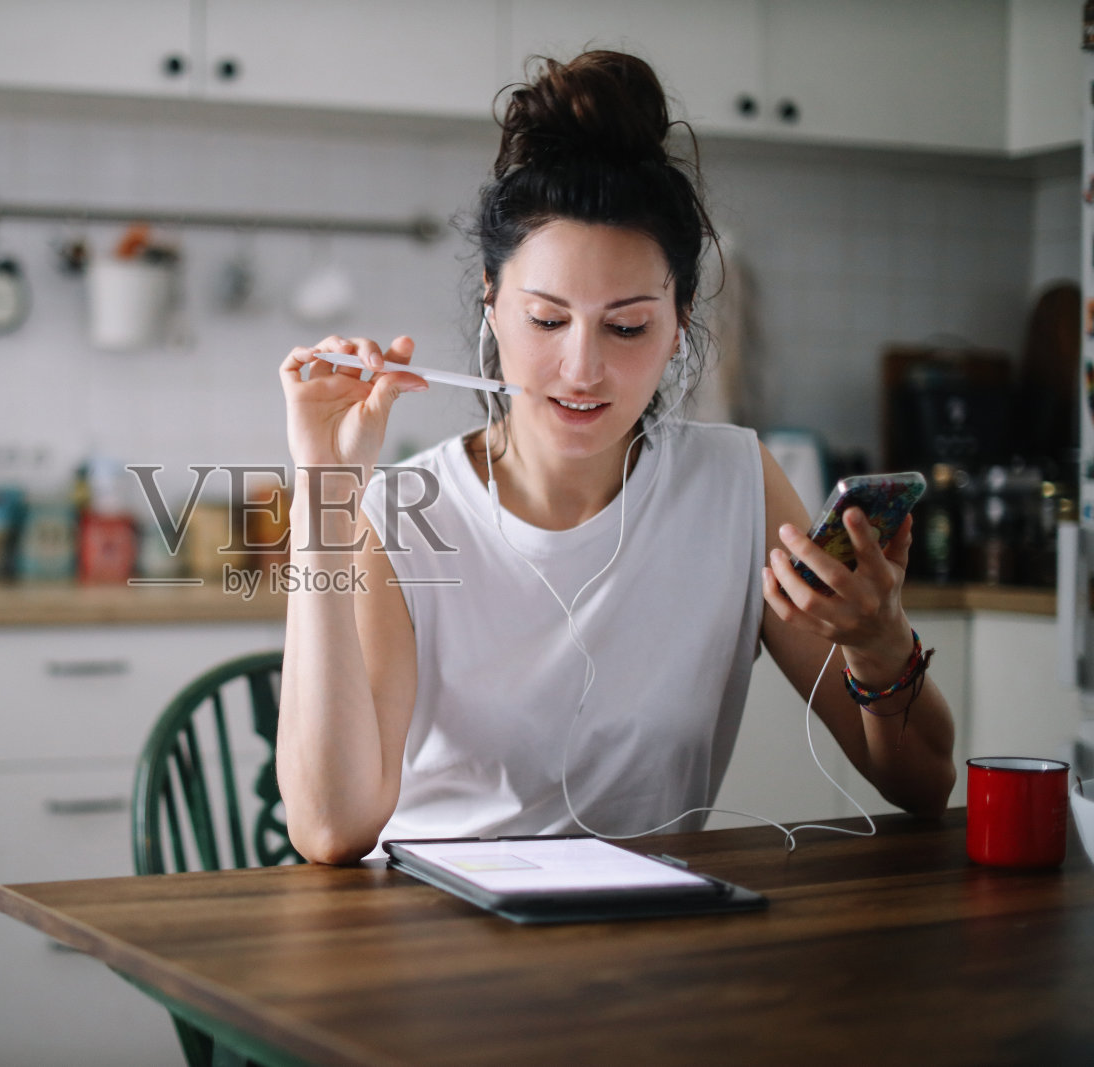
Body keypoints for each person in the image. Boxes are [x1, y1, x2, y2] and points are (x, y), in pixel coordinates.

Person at [275, 50, 955, 866]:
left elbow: (923, 784)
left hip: (653, 954)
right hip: (434, 945)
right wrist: (325, 486)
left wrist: (878, 640)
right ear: (491, 306)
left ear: (679, 321)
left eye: (627, 326)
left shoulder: (736, 487)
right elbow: (330, 828)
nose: (583, 368)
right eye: (547, 320)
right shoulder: (401, 513)